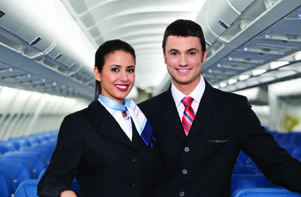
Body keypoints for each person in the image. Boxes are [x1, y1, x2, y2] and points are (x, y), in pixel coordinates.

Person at [139, 19, 301, 197]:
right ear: (164, 56)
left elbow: (276, 163)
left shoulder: (234, 109)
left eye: (191, 53)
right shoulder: (145, 112)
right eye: (174, 53)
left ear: (203, 55)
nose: (183, 62)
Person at [38, 39, 159, 197]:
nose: (124, 78)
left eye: (130, 70)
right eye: (115, 70)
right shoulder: (78, 124)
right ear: (98, 73)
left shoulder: (142, 119)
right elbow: (50, 181)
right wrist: (63, 192)